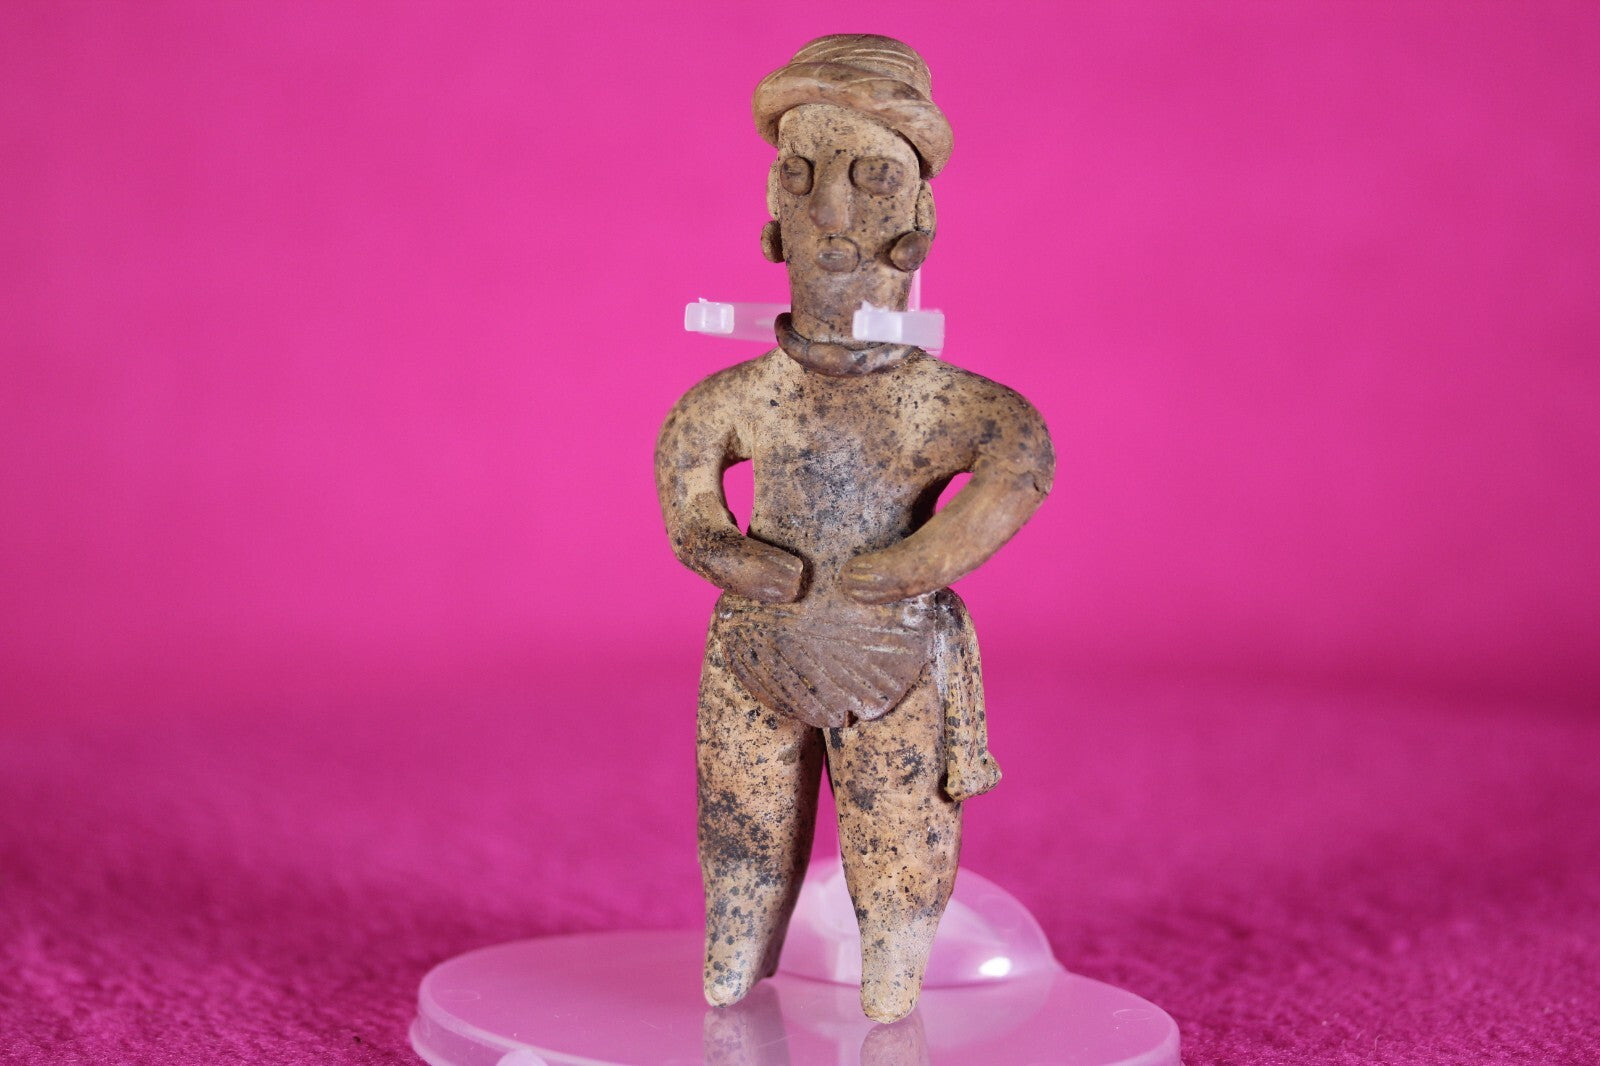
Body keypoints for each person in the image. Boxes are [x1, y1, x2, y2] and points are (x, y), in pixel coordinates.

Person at [656, 34, 1054, 1024]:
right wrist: (724, 551)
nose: (831, 209)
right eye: (801, 176)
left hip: (895, 649)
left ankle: (891, 978)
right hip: (756, 640)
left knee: (898, 836)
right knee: (743, 827)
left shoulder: (944, 404)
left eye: (870, 177)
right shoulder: (738, 397)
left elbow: (1020, 453)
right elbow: (686, 476)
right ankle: (733, 956)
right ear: (772, 211)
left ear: (920, 218)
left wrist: (925, 559)